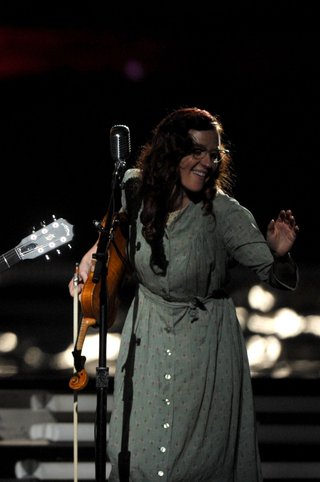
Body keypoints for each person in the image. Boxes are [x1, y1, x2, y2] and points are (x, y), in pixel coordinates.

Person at [69, 107, 299, 481]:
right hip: (148, 337)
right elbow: (113, 230)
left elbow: (276, 276)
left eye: (214, 154)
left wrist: (280, 252)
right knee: (138, 452)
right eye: (197, 151)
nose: (207, 162)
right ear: (171, 152)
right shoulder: (134, 189)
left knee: (199, 461)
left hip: (205, 344)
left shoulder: (225, 213)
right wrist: (87, 264)